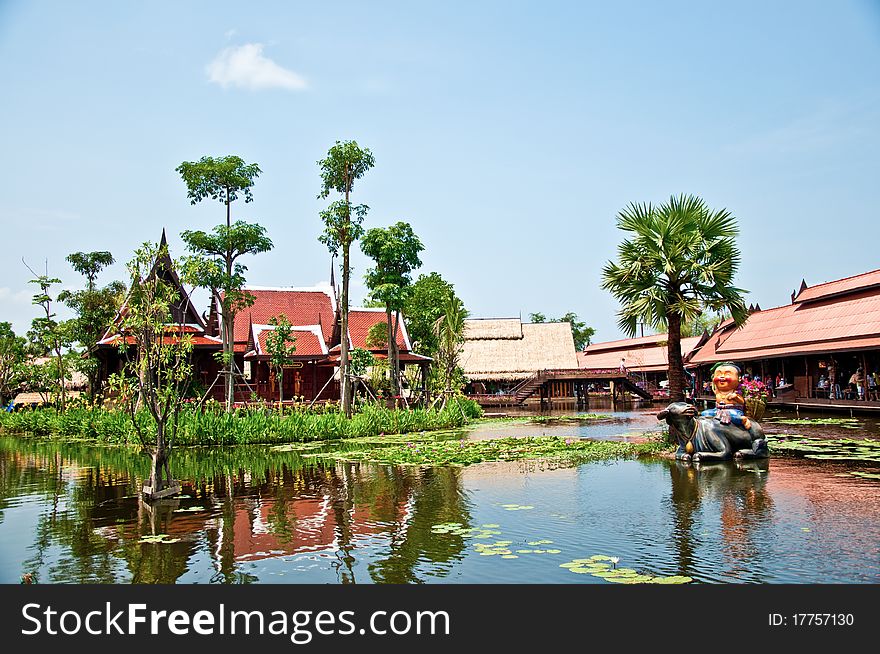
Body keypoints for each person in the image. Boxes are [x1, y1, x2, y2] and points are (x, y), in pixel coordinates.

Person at [701, 362, 751, 430]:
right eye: (718, 374)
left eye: (727, 374)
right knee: (705, 413)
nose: (722, 376)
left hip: (732, 410)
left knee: (735, 417)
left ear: (739, 379)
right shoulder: (717, 390)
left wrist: (735, 397)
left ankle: (744, 420)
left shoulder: (735, 392)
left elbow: (742, 402)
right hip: (717, 410)